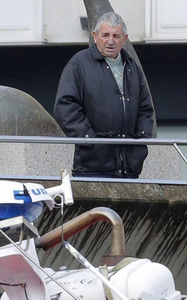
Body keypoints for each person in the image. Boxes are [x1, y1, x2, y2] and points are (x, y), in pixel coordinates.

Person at [53, 12, 155, 180]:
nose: (110, 41)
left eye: (116, 36)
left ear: (124, 39)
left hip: (128, 168)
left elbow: (145, 110)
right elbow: (65, 108)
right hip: (92, 167)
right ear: (95, 36)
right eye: (105, 35)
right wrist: (91, 141)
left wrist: (139, 143)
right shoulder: (79, 64)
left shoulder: (132, 67)